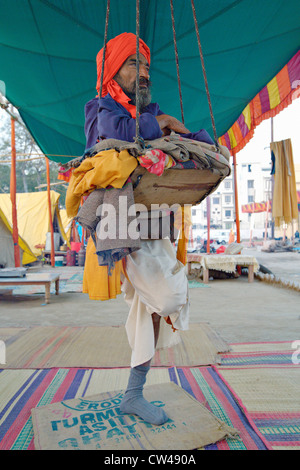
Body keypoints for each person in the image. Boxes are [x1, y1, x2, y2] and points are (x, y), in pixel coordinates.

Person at [84, 32, 214, 426]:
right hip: (121, 222)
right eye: (132, 65)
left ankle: (133, 395)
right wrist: (158, 123)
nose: (143, 73)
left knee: (149, 309)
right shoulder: (100, 108)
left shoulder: (150, 112)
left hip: (157, 218)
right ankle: (134, 394)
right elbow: (118, 136)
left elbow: (190, 141)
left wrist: (187, 135)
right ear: (112, 71)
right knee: (169, 296)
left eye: (145, 65)